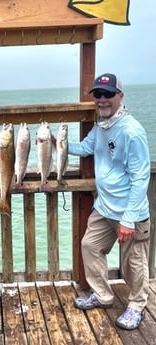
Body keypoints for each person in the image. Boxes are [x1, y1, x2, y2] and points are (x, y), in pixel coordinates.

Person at [69, 73, 150, 330]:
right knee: (90, 246)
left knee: (133, 263)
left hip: (129, 212)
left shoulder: (132, 131)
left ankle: (137, 306)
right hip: (104, 207)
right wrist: (55, 142)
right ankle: (103, 295)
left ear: (120, 96)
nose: (102, 100)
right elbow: (85, 148)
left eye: (108, 94)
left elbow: (140, 177)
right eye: (98, 95)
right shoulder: (101, 126)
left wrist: (128, 219)